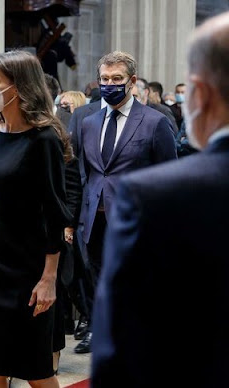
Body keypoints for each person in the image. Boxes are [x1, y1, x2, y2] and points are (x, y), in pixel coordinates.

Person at [91, 11, 229, 387]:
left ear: (198, 92)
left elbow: (120, 332)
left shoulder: (156, 193)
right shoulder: (89, 121)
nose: (109, 85)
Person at [0, 50, 71, 388]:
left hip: (28, 267)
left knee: (36, 370)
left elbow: (56, 212)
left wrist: (49, 278)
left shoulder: (43, 140)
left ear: (19, 86)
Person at [75, 51, 177, 354]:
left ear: (131, 82)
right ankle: (100, 329)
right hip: (95, 217)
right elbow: (85, 173)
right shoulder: (89, 121)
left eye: (116, 79)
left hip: (135, 219)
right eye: (104, 79)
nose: (109, 84)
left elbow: (167, 178)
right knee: (96, 278)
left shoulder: (154, 122)